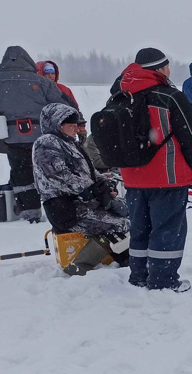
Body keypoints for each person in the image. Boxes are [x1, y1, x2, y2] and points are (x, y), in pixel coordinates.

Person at [113, 48, 192, 291]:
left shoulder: (119, 96)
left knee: (139, 229)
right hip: (168, 177)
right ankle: (163, 280)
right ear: (160, 69)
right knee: (167, 230)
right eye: (167, 66)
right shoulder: (170, 97)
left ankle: (139, 275)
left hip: (132, 178)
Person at [31, 102, 130, 275]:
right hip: (65, 209)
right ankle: (79, 266)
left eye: (77, 124)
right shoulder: (46, 143)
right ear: (58, 124)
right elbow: (58, 176)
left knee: (128, 216)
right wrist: (92, 190)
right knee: (120, 225)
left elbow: (91, 172)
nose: (76, 128)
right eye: (72, 125)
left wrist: (105, 185)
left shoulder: (71, 144)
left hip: (82, 205)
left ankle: (123, 260)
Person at [0, 46, 67, 223]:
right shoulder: (42, 82)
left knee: (21, 173)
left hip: (12, 137)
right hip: (41, 136)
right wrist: (73, 125)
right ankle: (58, 211)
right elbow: (63, 103)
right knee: (49, 171)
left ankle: (30, 213)